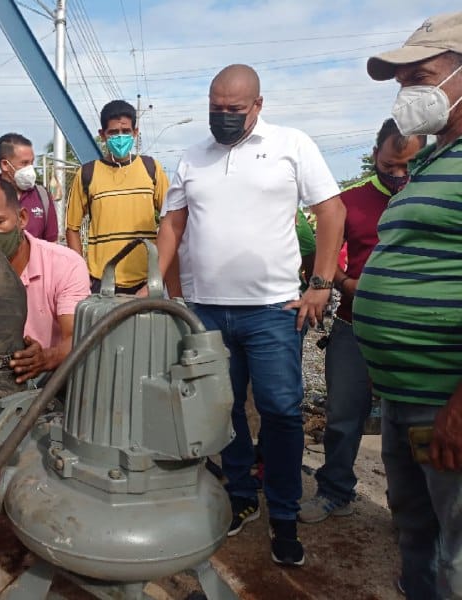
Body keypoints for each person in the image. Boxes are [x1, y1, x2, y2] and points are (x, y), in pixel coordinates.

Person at [156, 64, 345, 567]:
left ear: (257, 105)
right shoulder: (192, 156)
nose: (223, 118)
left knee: (282, 411)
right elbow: (173, 224)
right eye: (215, 109)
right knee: (223, 410)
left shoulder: (291, 144)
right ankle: (240, 496)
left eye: (233, 110)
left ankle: (283, 511)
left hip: (273, 310)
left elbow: (332, 210)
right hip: (207, 311)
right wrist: (160, 288)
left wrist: (321, 284)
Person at [353, 13, 462, 599]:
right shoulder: (429, 163)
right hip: (406, 396)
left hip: (448, 401)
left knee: (458, 556)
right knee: (416, 534)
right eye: (401, 82)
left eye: (419, 76)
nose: (407, 95)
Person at [299, 119, 425, 524]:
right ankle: (335, 489)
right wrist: (346, 283)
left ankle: (410, 509)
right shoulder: (347, 202)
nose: (399, 176)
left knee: (412, 427)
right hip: (354, 325)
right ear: (375, 157)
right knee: (343, 416)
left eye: (409, 167)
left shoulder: (432, 197)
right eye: (390, 166)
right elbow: (326, 260)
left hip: (414, 332)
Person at [0, 179, 89, 384]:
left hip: (52, 380)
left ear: (22, 218)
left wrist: (46, 358)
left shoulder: (66, 265)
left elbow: (77, 336)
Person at [66, 100, 169, 294]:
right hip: (101, 281)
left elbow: (171, 221)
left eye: (126, 132)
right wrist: (79, 272)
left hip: (145, 281)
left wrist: (160, 272)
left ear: (135, 133)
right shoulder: (87, 173)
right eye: (113, 133)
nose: (120, 138)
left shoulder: (151, 169)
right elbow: (72, 228)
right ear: (102, 135)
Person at [0, 133, 58, 242]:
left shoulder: (42, 197)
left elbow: (52, 243)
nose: (30, 169)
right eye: (24, 163)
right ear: (5, 165)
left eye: (31, 163)